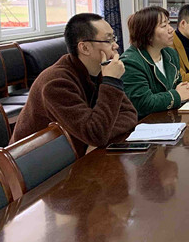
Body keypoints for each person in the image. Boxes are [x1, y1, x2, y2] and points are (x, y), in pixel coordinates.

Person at [11, 13, 138, 157]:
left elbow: (129, 114)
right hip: (35, 163)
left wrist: (100, 135)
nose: (116, 45)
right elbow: (96, 134)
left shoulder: (100, 71)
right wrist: (112, 82)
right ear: (84, 48)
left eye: (113, 38)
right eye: (108, 40)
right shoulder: (56, 83)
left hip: (74, 153)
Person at [121, 6, 189, 119]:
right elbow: (143, 103)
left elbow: (177, 85)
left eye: (169, 23)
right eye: (163, 26)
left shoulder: (170, 54)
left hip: (170, 120)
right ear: (147, 34)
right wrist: (178, 95)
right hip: (145, 124)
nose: (171, 30)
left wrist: (188, 90)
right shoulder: (131, 62)